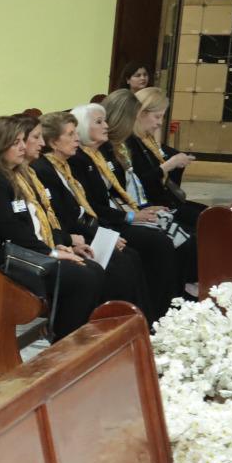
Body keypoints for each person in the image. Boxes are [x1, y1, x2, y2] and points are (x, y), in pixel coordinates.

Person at [0, 118, 103, 341]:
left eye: (22, 141)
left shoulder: (10, 176)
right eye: (15, 142)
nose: (22, 147)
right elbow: (10, 230)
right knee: (80, 276)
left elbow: (30, 226)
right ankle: (64, 343)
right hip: (5, 262)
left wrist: (56, 246)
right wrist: (51, 253)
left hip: (21, 253)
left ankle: (75, 339)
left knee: (92, 269)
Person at [32, 110, 161, 322]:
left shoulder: (65, 166)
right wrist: (99, 235)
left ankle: (141, 321)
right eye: (71, 134)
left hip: (85, 228)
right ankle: (115, 323)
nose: (77, 138)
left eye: (76, 133)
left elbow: (83, 210)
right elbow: (65, 218)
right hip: (72, 235)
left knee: (130, 256)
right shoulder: (44, 170)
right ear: (54, 142)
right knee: (120, 263)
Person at [70, 101, 193, 302]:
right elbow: (91, 205)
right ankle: (159, 304)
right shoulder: (79, 160)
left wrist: (140, 209)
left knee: (175, 231)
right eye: (99, 122)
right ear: (83, 128)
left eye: (105, 121)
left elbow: (117, 193)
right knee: (158, 242)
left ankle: (174, 297)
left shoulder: (100, 154)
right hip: (106, 222)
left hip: (116, 214)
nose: (106, 126)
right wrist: (130, 216)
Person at [125, 87, 203, 228]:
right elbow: (140, 184)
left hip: (165, 202)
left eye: (162, 117)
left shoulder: (145, 139)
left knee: (209, 215)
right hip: (151, 206)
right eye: (157, 117)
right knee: (204, 221)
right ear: (141, 113)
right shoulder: (130, 142)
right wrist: (169, 165)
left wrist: (174, 164)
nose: (160, 122)